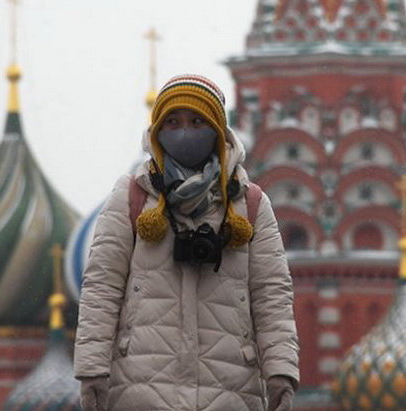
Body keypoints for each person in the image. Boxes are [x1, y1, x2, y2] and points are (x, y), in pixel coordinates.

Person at [73, 74, 299, 411]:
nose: (184, 131)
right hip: (143, 387)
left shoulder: (248, 204)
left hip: (229, 388)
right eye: (173, 122)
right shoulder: (133, 197)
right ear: (158, 131)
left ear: (218, 130)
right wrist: (91, 369)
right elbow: (102, 287)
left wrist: (281, 370)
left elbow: (271, 295)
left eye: (197, 121)